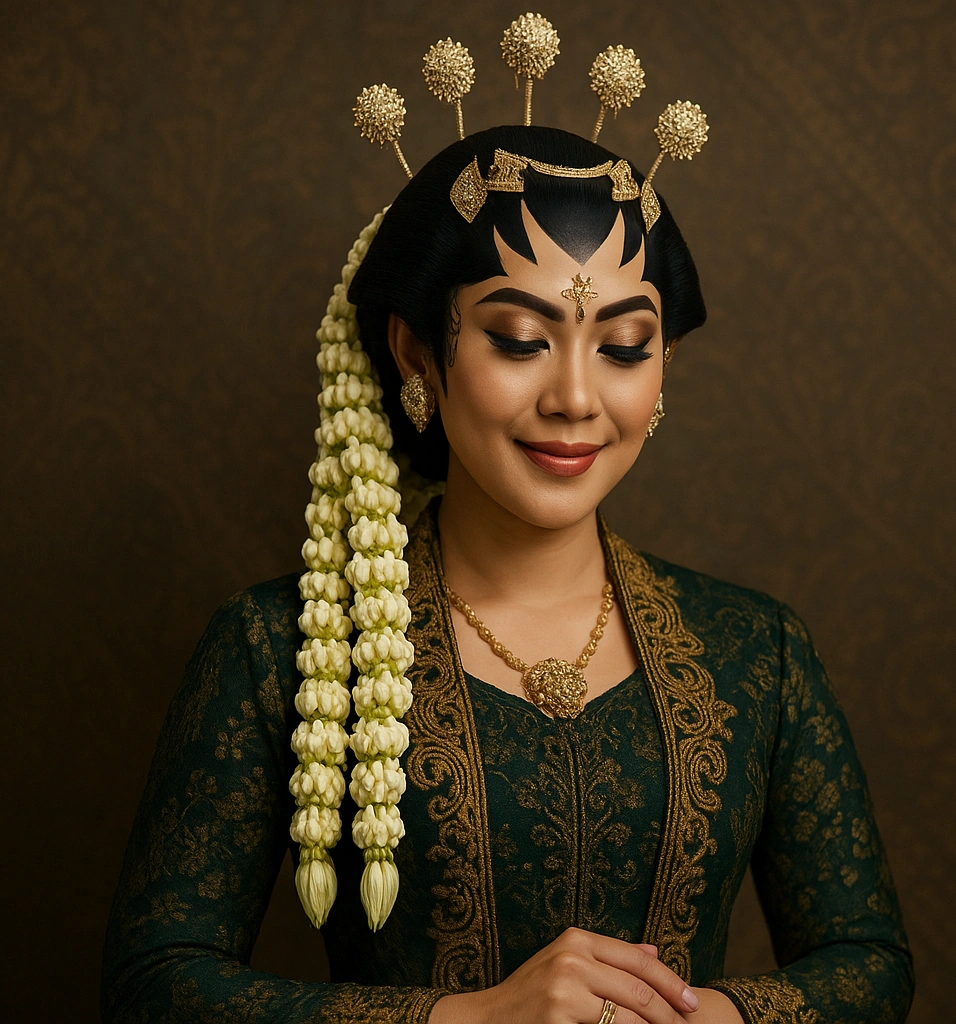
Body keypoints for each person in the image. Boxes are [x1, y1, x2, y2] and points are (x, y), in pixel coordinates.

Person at [102, 24, 912, 1024]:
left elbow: (869, 960)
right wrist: (465, 1020)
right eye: (521, 339)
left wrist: (728, 1019)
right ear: (417, 353)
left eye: (623, 346)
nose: (577, 397)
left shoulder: (755, 652)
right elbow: (155, 982)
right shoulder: (286, 652)